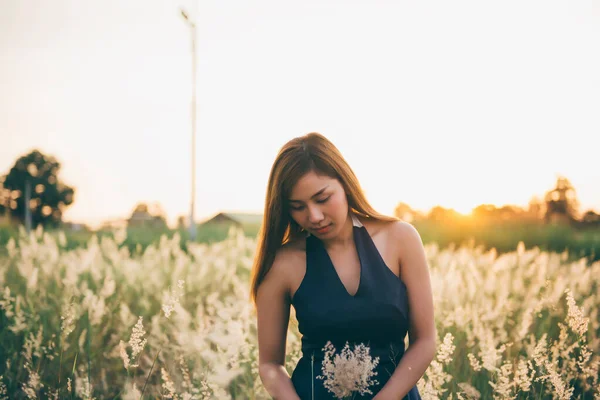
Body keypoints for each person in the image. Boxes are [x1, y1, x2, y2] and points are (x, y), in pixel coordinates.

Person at [250, 132, 436, 399]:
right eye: (297, 206)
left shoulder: (400, 238)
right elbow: (269, 364)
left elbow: (425, 341)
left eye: (323, 198)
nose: (314, 216)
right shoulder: (281, 263)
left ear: (346, 184)